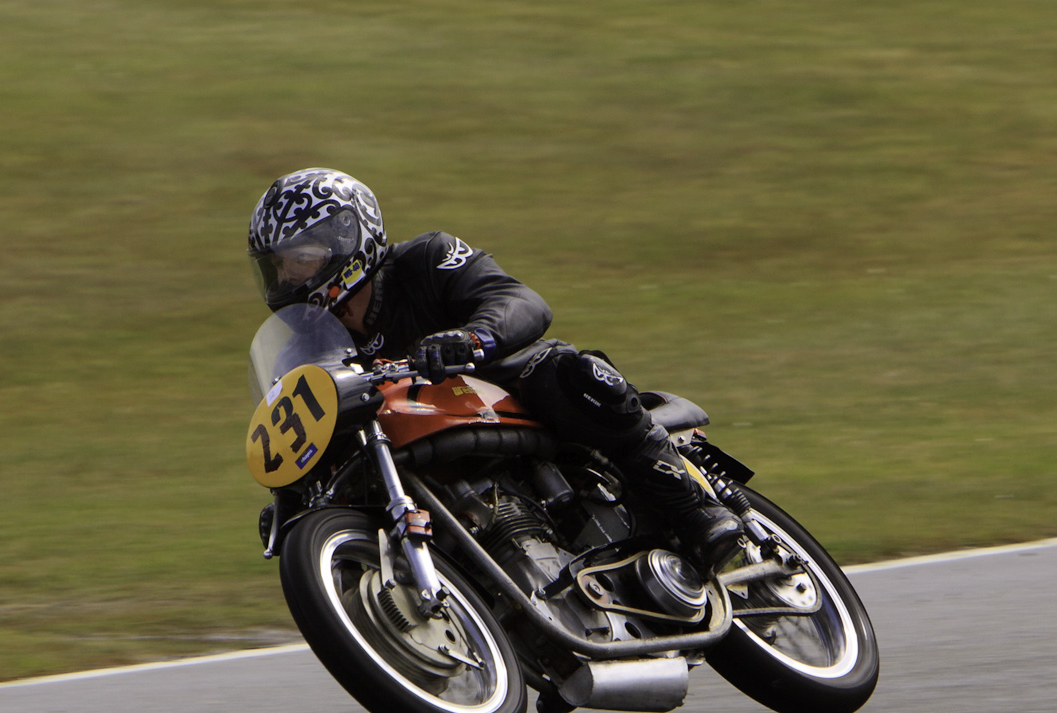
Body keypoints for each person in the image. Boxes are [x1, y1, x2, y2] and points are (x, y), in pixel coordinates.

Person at [247, 168, 745, 568]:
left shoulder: (427, 258)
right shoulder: (304, 347)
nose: (288, 275)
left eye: (301, 258)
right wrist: (289, 498)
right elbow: (297, 423)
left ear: (345, 239)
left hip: (505, 386)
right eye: (278, 265)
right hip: (411, 446)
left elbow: (520, 301)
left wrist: (470, 338)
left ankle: (697, 513)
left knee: (575, 375)